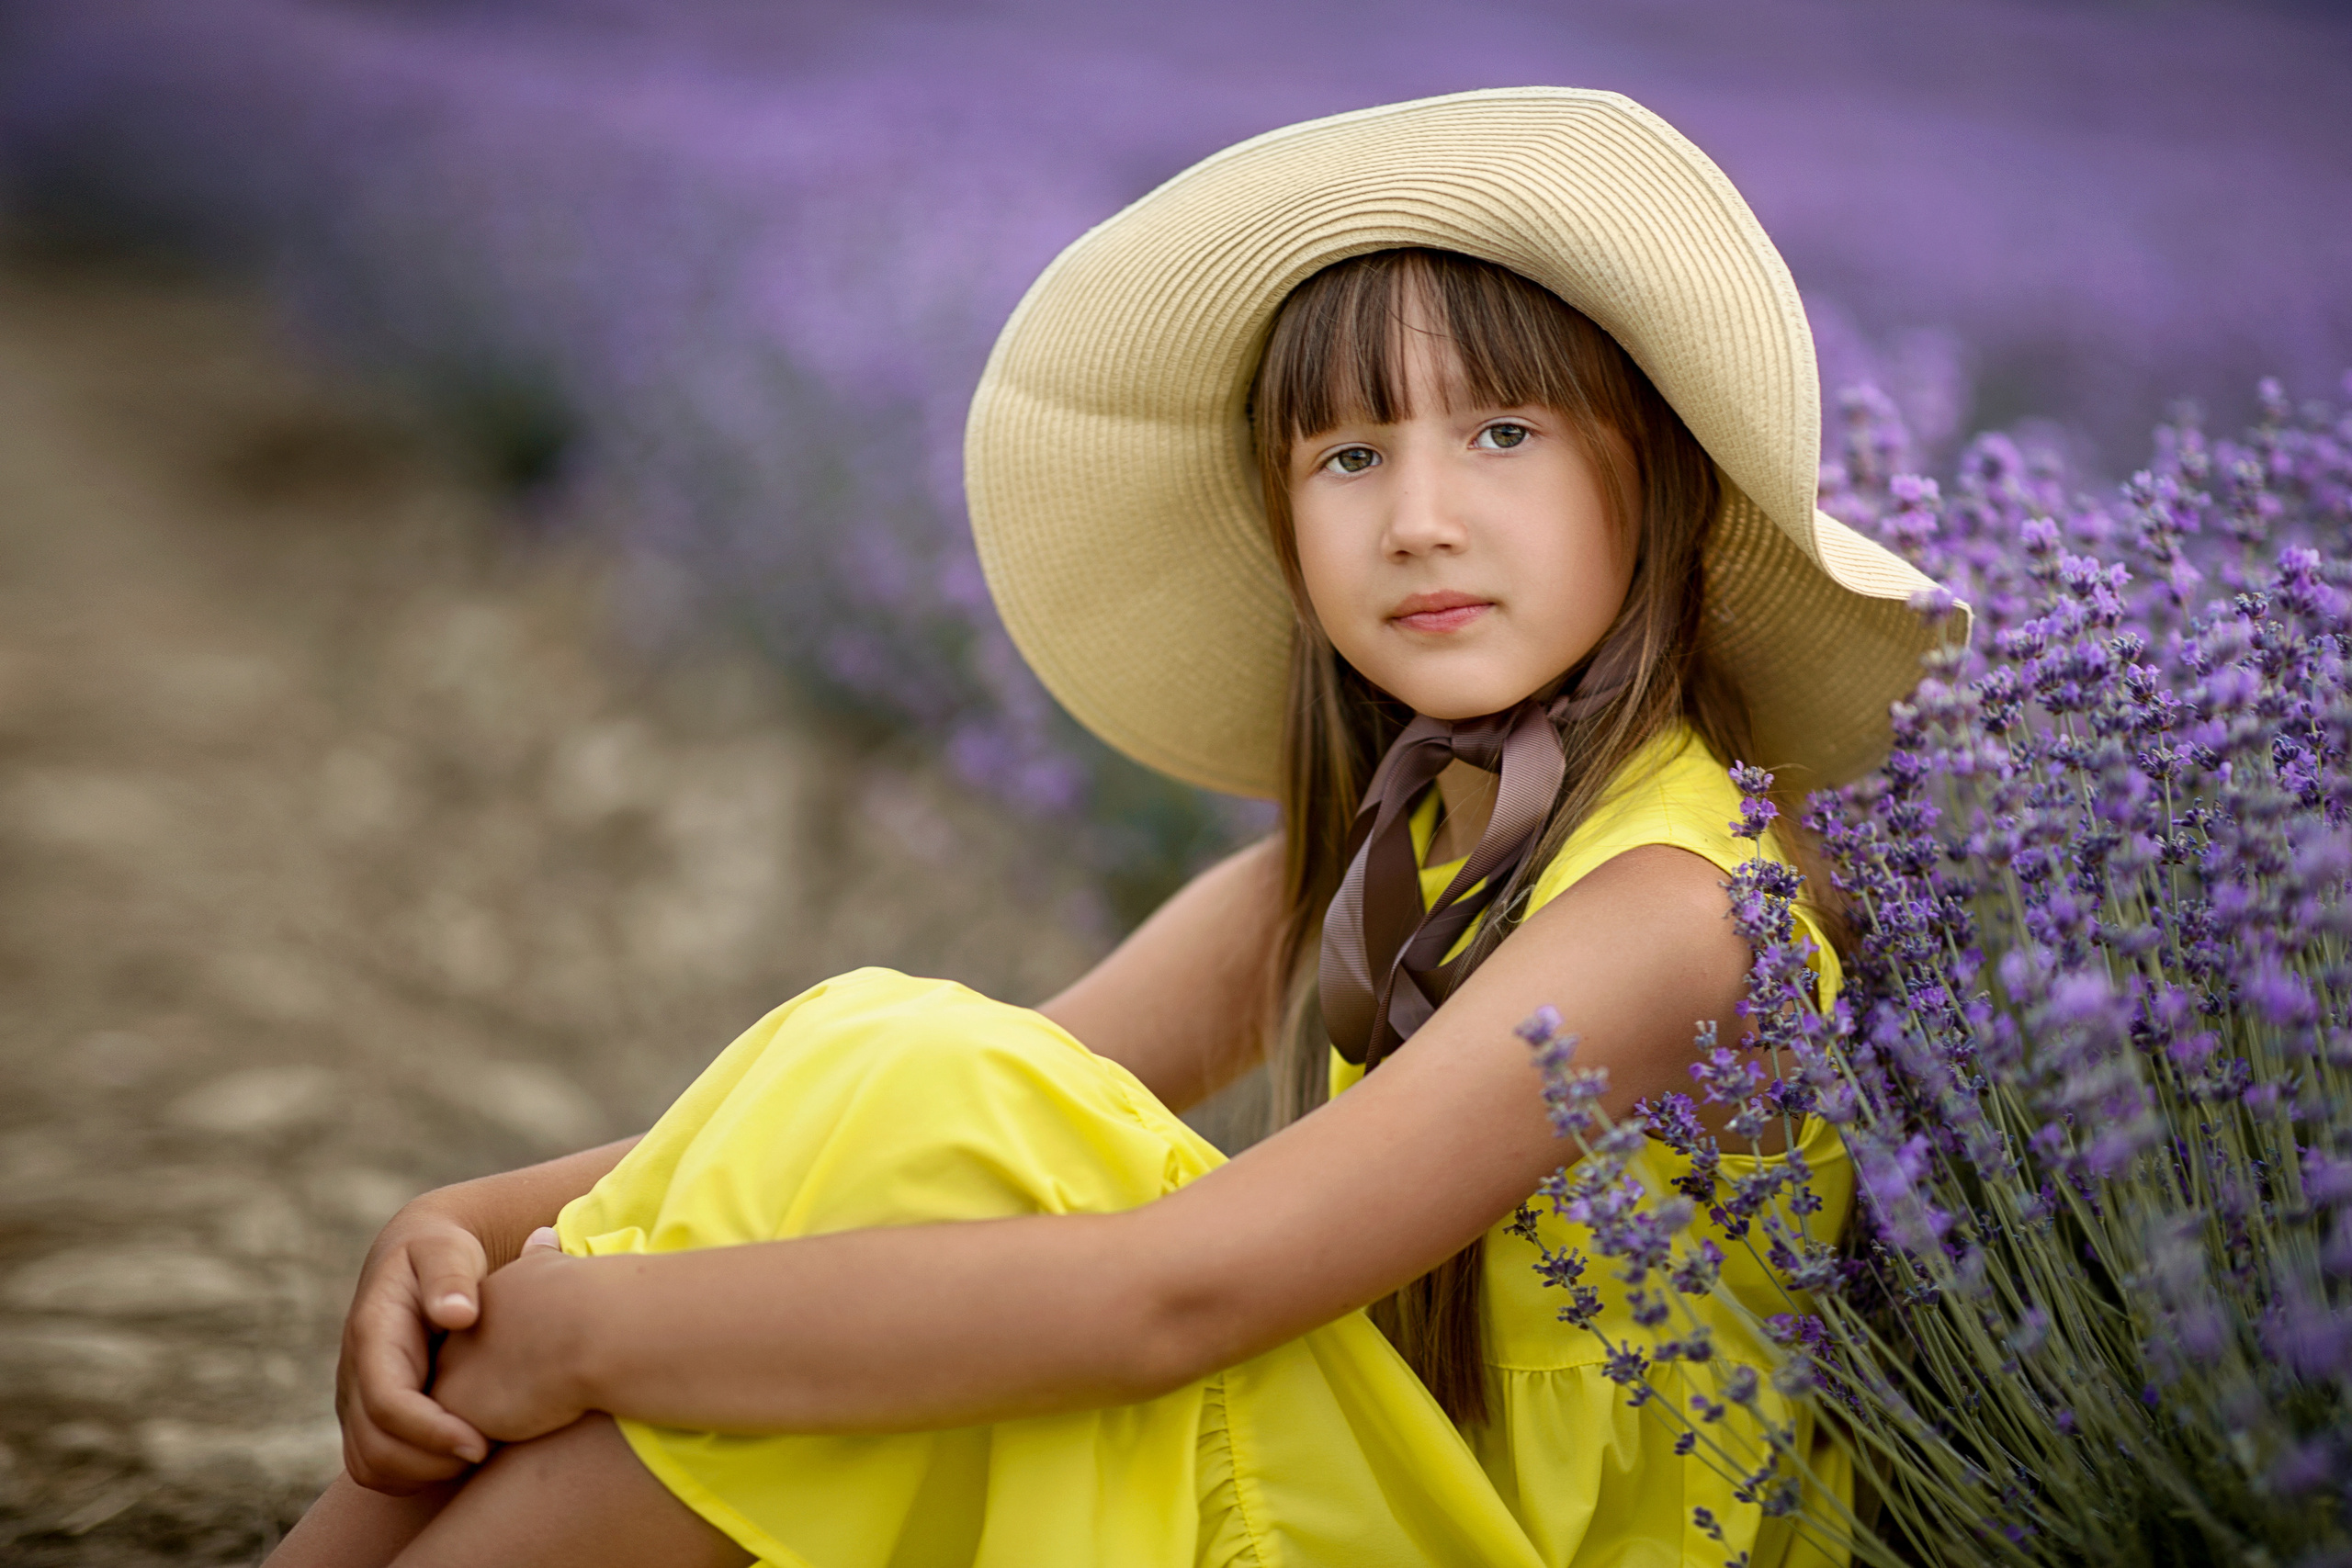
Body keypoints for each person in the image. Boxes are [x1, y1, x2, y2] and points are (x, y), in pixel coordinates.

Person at [269, 88, 1953, 1568]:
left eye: (1503, 434)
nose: (1422, 520)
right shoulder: (1374, 869)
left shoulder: (1672, 910)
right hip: (1370, 1500)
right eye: (1349, 455)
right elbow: (896, 1120)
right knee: (905, 1092)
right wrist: (479, 1231)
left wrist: (595, 1335)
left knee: (885, 1163)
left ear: (1648, 483)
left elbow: (1178, 1298)